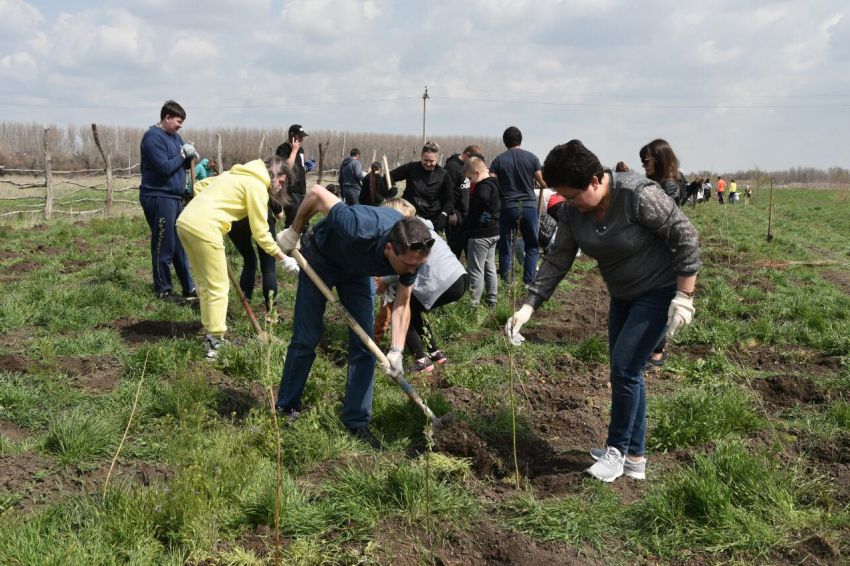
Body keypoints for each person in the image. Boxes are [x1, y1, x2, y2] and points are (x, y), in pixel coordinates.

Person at [506, 140, 700, 483]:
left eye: (574, 195)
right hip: (623, 295)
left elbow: (685, 236)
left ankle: (616, 450)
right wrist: (528, 306)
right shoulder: (573, 213)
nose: (570, 203)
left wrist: (684, 296)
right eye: (564, 197)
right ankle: (634, 459)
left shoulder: (637, 195)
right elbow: (559, 258)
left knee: (625, 368)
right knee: (627, 371)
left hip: (657, 292)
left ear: (596, 180)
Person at [274, 185, 432, 450]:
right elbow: (315, 193)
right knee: (306, 336)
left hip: (359, 271)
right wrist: (294, 230)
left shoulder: (412, 254)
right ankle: (286, 408)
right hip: (322, 258)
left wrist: (396, 350)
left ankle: (357, 421)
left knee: (365, 344)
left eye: (418, 265)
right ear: (389, 249)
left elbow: (403, 303)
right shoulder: (359, 226)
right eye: (408, 265)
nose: (412, 271)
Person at [176, 157, 292, 359]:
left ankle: (210, 336)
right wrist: (283, 258)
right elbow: (261, 233)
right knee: (219, 287)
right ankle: (215, 345)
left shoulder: (235, 174)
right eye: (280, 181)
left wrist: (209, 207)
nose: (280, 186)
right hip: (205, 228)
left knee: (205, 283)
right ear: (272, 174)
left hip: (185, 222)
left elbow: (201, 185)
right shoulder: (256, 185)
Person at [380, 198, 467, 372]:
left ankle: (421, 360)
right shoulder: (425, 228)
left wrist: (385, 280)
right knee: (415, 307)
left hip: (443, 281)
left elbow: (406, 266)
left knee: (402, 308)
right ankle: (434, 352)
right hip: (460, 278)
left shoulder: (410, 238)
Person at [139, 100, 197, 304]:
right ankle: (163, 289)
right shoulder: (152, 138)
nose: (181, 125)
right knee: (164, 244)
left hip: (174, 198)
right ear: (167, 118)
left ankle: (188, 287)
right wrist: (182, 154)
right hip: (158, 196)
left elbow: (180, 165)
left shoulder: (176, 137)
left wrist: (188, 156)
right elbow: (164, 167)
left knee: (180, 244)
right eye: (179, 121)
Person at [639, 139, 684, 368]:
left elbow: (666, 220)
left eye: (647, 160)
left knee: (659, 302)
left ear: (659, 159)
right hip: (657, 251)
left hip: (664, 252)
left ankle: (654, 352)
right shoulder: (661, 183)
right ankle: (655, 351)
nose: (644, 165)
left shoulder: (669, 186)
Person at [490, 126, 547, 285]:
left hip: (507, 207)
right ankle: (528, 282)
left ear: (504, 142)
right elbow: (543, 183)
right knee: (532, 246)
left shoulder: (498, 160)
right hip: (528, 207)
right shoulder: (532, 158)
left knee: (505, 246)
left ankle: (507, 282)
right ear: (520, 140)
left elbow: (492, 184)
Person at [390, 141, 454, 232]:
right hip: (409, 215)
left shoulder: (443, 175)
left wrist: (443, 215)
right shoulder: (411, 168)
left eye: (431, 161)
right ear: (421, 157)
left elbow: (449, 200)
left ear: (437, 159)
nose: (428, 163)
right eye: (425, 160)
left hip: (432, 219)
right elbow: (390, 176)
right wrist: (392, 187)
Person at [462, 157, 500, 308]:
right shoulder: (495, 183)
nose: (470, 182)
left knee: (475, 269)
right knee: (489, 266)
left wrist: (475, 218)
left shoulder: (483, 187)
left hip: (481, 235)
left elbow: (483, 200)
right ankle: (492, 300)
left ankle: (473, 304)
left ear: (477, 172)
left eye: (470, 178)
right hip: (494, 231)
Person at [275, 124, 309, 273]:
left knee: (305, 221)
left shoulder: (301, 149)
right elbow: (286, 168)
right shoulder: (282, 149)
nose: (301, 139)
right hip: (291, 190)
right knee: (292, 221)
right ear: (291, 134)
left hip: (301, 190)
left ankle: (305, 252)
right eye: (299, 136)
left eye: (302, 136)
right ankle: (288, 254)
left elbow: (298, 167)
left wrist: (307, 167)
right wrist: (294, 150)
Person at [443, 145, 482, 258]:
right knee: (455, 252)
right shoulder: (452, 167)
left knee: (470, 251)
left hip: (466, 215)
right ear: (468, 155)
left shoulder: (468, 168)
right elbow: (447, 191)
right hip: (456, 214)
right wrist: (451, 213)